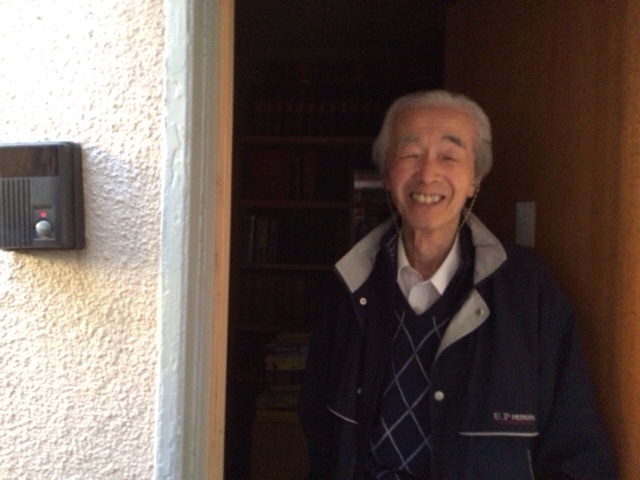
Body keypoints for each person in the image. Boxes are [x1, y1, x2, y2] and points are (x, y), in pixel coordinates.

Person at [298, 90, 618, 479]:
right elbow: (319, 426)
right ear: (386, 175)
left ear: (474, 180)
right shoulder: (350, 284)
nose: (427, 174)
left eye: (449, 156)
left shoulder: (526, 292)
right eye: (410, 153)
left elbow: (578, 451)